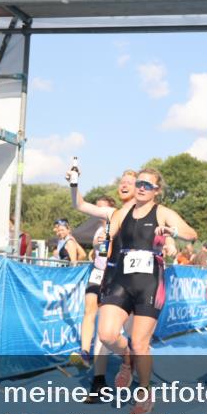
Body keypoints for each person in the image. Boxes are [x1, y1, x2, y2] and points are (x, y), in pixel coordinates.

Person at [97, 168, 198, 414]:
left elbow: (191, 234)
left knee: (141, 342)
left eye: (147, 185)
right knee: (107, 335)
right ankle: (127, 359)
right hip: (122, 278)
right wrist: (101, 241)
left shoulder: (162, 212)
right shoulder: (123, 212)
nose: (141, 188)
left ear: (157, 191)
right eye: (139, 183)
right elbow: (108, 236)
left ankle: (144, 389)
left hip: (150, 283)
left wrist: (171, 233)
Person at [67, 169, 139, 400]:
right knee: (104, 332)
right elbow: (80, 205)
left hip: (136, 280)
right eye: (122, 182)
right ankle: (98, 385)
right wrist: (74, 184)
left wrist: (168, 242)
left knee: (132, 335)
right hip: (111, 276)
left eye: (130, 182)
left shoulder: (147, 214)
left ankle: (133, 369)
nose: (124, 184)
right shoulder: (112, 213)